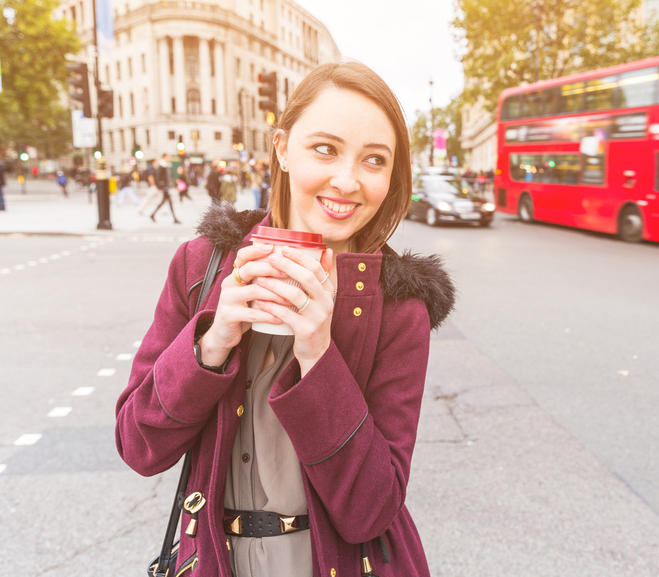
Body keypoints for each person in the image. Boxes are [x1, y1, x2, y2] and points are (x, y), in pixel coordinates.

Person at [116, 61, 454, 577]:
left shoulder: (399, 306)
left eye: (374, 161)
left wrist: (319, 354)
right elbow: (139, 445)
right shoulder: (202, 265)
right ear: (282, 149)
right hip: (215, 559)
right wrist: (212, 341)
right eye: (325, 148)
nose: (347, 181)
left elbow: (371, 510)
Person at [149, 153, 180, 223]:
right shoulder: (161, 166)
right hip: (164, 187)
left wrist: (175, 184)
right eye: (168, 157)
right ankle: (175, 218)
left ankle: (152, 215)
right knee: (170, 201)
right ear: (164, 157)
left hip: (167, 187)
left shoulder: (168, 165)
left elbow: (171, 177)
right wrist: (159, 187)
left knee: (164, 202)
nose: (170, 158)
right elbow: (157, 177)